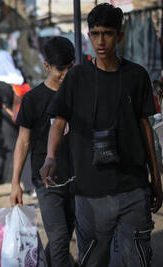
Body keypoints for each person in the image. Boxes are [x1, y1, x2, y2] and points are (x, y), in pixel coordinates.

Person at [41, 4, 162, 266]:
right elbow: (59, 122)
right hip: (90, 191)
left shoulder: (136, 75)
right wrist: (50, 157)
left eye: (107, 33)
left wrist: (156, 177)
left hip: (133, 187)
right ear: (88, 35)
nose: (100, 41)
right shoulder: (76, 77)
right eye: (94, 34)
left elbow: (146, 129)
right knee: (93, 262)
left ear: (120, 36)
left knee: (137, 260)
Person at [10, 37, 75, 267]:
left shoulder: (79, 95)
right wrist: (15, 182)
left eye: (70, 67)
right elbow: (23, 142)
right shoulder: (33, 99)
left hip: (78, 180)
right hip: (46, 183)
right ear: (47, 66)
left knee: (64, 237)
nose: (66, 73)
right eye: (60, 68)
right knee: (58, 239)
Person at [0, 50, 33, 197]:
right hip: (21, 123)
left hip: (4, 125)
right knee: (24, 152)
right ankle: (30, 187)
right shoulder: (20, 79)